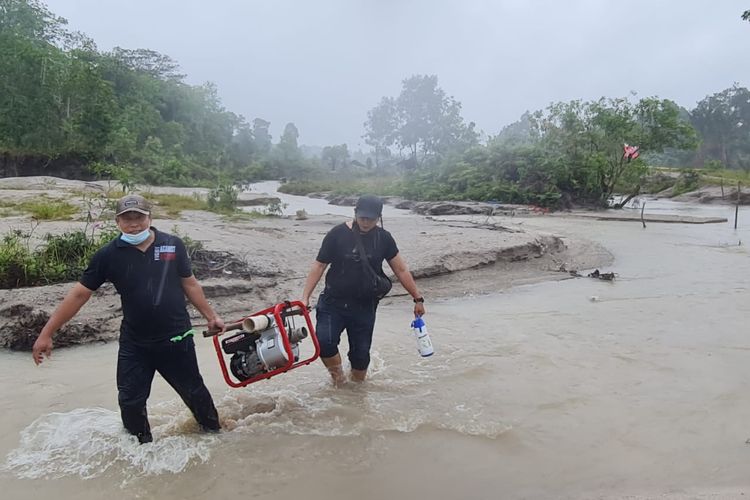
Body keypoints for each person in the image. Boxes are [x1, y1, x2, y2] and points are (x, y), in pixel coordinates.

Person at [32, 194, 225, 444]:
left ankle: (215, 436)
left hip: (176, 338)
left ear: (149, 218)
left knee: (195, 393)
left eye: (139, 217)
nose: (134, 224)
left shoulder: (171, 244)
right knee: (130, 401)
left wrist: (212, 317)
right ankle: (141, 448)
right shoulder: (108, 255)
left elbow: (189, 283)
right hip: (135, 343)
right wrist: (46, 333)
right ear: (117, 222)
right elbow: (79, 294)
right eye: (127, 219)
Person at [301, 194, 426, 385]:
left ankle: (356, 394)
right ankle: (339, 380)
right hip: (332, 303)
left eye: (371, 219)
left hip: (364, 306)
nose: (366, 223)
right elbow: (319, 265)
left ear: (379, 217)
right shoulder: (337, 234)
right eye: (362, 218)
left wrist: (417, 298)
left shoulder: (384, 238)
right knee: (324, 343)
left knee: (360, 356)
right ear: (355, 213)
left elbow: (400, 269)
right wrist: (305, 297)